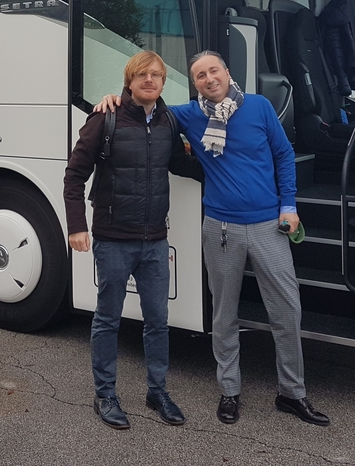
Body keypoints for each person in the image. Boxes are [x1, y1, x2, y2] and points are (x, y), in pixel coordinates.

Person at [96, 50, 329, 427]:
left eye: (213, 70)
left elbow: (284, 155)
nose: (208, 78)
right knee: (224, 314)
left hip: (271, 225)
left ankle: (292, 393)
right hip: (220, 229)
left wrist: (290, 206)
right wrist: (112, 100)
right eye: (200, 75)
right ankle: (230, 391)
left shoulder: (259, 107)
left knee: (287, 311)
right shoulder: (188, 114)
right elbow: (146, 103)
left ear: (227, 72)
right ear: (195, 84)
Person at [64, 50, 202, 430]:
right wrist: (77, 226)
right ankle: (105, 394)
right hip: (113, 240)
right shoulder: (104, 118)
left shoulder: (168, 121)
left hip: (155, 240)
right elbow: (74, 176)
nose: (150, 80)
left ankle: (157, 391)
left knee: (158, 321)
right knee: (107, 320)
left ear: (163, 82)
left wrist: (226, 167)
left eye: (157, 75)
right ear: (129, 80)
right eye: (143, 74)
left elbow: (180, 164)